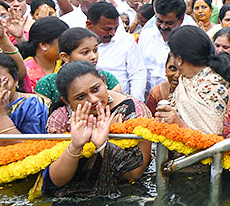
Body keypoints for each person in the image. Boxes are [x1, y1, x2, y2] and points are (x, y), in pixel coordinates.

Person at [40, 62, 153, 197]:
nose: (93, 99)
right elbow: (56, 182)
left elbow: (134, 174)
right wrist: (75, 146)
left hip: (126, 194)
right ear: (67, 101)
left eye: (95, 89)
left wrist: (103, 145)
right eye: (81, 97)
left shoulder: (135, 112)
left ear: (104, 82)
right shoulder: (60, 119)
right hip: (72, 198)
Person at [151, 26, 230, 135]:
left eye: (172, 55)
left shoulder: (211, 86)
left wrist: (180, 124)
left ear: (179, 59)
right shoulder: (186, 80)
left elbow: (213, 136)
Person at [32, 28, 122, 102]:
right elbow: (42, 116)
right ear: (65, 57)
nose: (93, 56)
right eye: (85, 52)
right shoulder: (47, 84)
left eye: (95, 50)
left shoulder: (106, 78)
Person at [86, 1, 145, 100]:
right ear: (89, 25)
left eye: (116, 28)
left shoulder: (126, 40)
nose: (112, 33)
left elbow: (137, 74)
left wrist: (134, 101)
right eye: (107, 29)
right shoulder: (77, 42)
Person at [139, 0, 185, 92]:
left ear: (181, 20)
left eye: (169, 23)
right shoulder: (147, 34)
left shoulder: (188, 41)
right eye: (159, 21)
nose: (163, 27)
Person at [19, 16, 68, 90]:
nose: (65, 46)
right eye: (61, 43)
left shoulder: (66, 65)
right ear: (44, 45)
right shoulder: (24, 72)